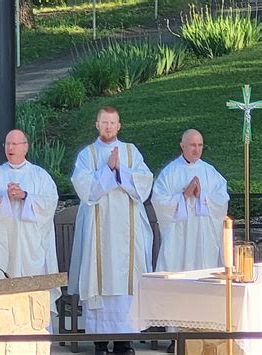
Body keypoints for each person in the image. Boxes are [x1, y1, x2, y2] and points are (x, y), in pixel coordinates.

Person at [68, 106, 154, 355]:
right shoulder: (88, 154)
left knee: (128, 282)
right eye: (103, 122)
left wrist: (120, 170)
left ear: (119, 126)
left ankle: (124, 341)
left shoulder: (131, 152)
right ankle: (100, 342)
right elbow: (85, 189)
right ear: (97, 125)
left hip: (128, 231)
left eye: (112, 122)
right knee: (98, 277)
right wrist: (108, 170)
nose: (108, 126)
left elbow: (143, 184)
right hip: (98, 229)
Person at [0, 129, 61, 312]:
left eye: (15, 144)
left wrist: (25, 196)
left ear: (25, 147)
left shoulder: (40, 175)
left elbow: (50, 202)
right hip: (1, 243)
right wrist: (4, 197)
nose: (10, 148)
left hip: (30, 244)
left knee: (32, 289)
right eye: (7, 144)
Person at [152, 129, 229, 272]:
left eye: (200, 145)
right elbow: (159, 201)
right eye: (193, 145)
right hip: (179, 236)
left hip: (203, 234)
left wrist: (202, 196)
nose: (197, 150)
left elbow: (222, 200)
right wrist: (184, 196)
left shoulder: (210, 172)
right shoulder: (170, 173)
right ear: (182, 146)